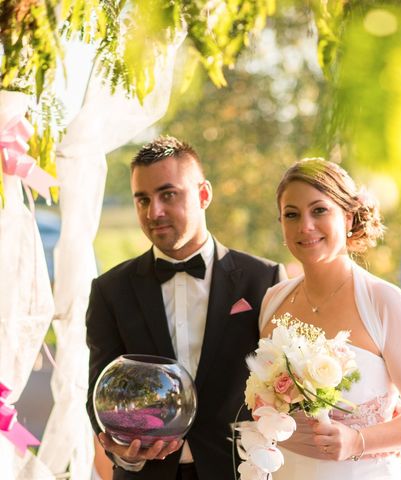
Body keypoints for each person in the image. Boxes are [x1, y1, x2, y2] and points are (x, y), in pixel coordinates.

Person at [85, 136, 287, 480]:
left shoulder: (263, 279)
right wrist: (125, 452)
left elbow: (282, 385)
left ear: (203, 194)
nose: (154, 212)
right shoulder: (109, 290)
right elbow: (100, 392)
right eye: (143, 200)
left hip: (237, 472)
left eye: (168, 195)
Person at [259, 158, 401, 479]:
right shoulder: (273, 300)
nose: (305, 225)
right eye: (292, 214)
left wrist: (358, 440)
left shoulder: (384, 302)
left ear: (348, 218)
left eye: (319, 210)